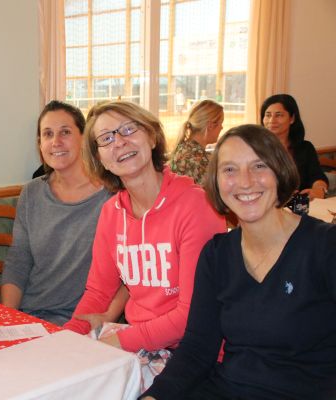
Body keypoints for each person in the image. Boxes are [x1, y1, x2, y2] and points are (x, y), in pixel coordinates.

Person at [141, 125, 336, 400]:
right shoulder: (217, 255)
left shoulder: (325, 245)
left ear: (280, 171)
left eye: (259, 166)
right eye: (230, 169)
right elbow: (197, 349)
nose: (245, 182)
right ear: (216, 181)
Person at [64, 101, 225, 381]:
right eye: (106, 138)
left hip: (194, 353)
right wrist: (66, 338)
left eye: (129, 129)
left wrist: (115, 342)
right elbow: (98, 293)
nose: (119, 142)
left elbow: (191, 315)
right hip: (140, 345)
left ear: (151, 136)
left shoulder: (196, 205)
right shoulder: (111, 213)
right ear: (99, 158)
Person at [0, 100, 112, 325]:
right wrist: (8, 318)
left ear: (84, 138)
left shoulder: (111, 195)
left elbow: (125, 273)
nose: (56, 141)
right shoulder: (31, 193)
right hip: (30, 314)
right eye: (48, 134)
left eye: (65, 132)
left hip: (83, 320)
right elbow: (19, 260)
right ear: (40, 144)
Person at [261, 94, 328, 199]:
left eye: (279, 115)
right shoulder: (255, 149)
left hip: (299, 206)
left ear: (292, 119)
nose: (272, 120)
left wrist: (319, 189)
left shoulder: (305, 148)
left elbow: (317, 176)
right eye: (268, 115)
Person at [170, 100, 224, 185]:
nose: (222, 127)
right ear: (210, 126)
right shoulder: (199, 159)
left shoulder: (183, 148)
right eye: (221, 123)